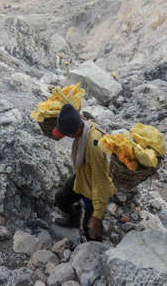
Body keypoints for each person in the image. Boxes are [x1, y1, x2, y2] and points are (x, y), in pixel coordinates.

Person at [52, 103, 116, 241]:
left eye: (67, 134)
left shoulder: (94, 147)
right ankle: (74, 219)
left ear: (75, 131)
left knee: (90, 228)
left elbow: (101, 183)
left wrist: (96, 216)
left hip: (94, 185)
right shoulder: (83, 124)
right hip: (83, 175)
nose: (67, 137)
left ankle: (96, 245)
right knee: (61, 198)